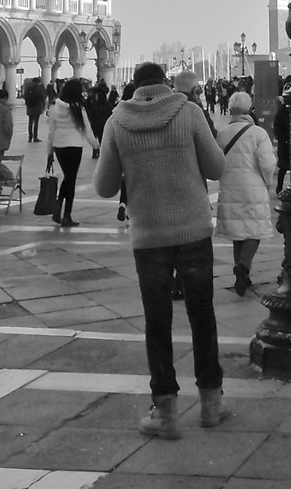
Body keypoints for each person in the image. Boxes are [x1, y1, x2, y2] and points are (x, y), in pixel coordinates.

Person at [93, 61, 229, 438]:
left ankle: (166, 412)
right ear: (165, 83)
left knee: (157, 321)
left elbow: (104, 187)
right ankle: (211, 403)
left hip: (149, 237)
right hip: (193, 230)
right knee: (202, 315)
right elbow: (217, 167)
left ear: (135, 87)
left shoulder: (117, 122)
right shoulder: (190, 113)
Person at [215, 91, 279, 296]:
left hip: (229, 187)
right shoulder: (258, 133)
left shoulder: (222, 133)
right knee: (254, 231)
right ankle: (243, 266)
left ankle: (241, 273)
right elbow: (267, 164)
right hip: (253, 188)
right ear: (249, 109)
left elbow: (216, 162)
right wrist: (268, 182)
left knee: (238, 233)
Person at [41, 77, 95, 229]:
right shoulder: (78, 108)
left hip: (59, 146)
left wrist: (50, 151)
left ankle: (59, 207)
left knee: (68, 178)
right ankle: (66, 214)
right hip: (74, 146)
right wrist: (96, 145)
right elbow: (87, 129)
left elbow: (51, 132)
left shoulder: (55, 108)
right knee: (71, 179)